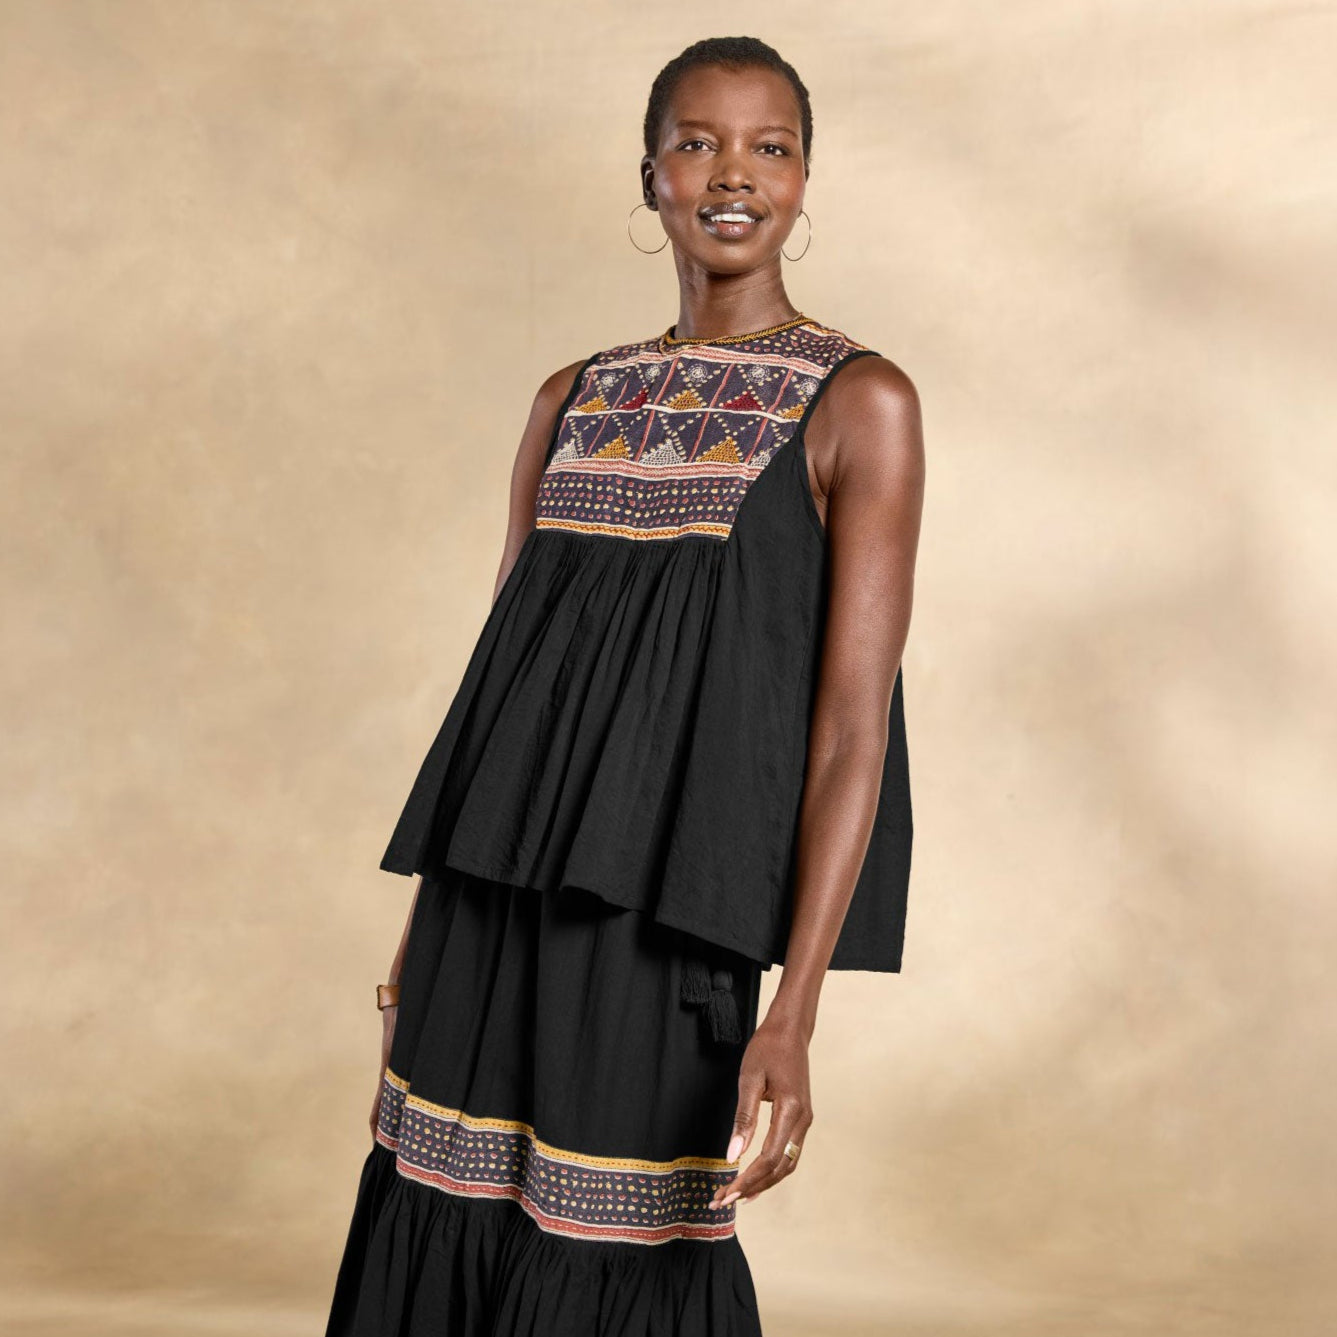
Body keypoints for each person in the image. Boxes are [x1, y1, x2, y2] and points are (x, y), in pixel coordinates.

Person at [323, 34, 924, 1337]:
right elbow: (497, 698)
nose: (733, 173)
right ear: (649, 176)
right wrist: (417, 935)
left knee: (620, 1245)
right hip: (484, 912)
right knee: (439, 1216)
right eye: (697, 143)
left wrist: (794, 1009)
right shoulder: (573, 396)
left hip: (670, 923)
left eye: (769, 147)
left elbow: (850, 733)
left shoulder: (857, 403)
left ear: (804, 179)